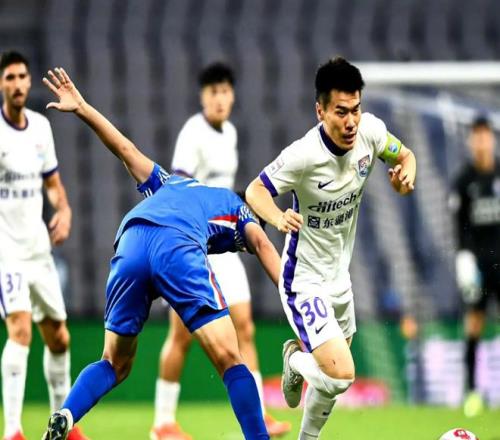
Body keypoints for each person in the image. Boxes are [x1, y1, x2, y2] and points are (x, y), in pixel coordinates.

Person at [40, 67, 281, 440]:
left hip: (131, 241)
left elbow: (125, 149)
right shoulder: (238, 207)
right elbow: (262, 244)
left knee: (114, 362)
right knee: (231, 359)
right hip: (178, 248)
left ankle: (67, 414)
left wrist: (83, 108)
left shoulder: (169, 182)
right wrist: (292, 294)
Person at [246, 57, 417, 439]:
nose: (351, 121)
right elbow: (255, 190)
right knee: (340, 373)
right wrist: (277, 217)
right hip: (304, 279)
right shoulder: (303, 155)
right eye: (341, 112)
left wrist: (406, 176)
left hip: (341, 279)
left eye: (356, 109)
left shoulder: (371, 133)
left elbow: (405, 156)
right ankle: (295, 359)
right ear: (320, 110)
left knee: (331, 384)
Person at [152, 62, 290, 440]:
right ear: (203, 97)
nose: (220, 98)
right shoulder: (192, 134)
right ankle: (162, 422)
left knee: (245, 326)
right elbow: (179, 190)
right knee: (181, 336)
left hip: (223, 244)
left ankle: (259, 414)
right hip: (193, 245)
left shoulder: (230, 133)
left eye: (225, 91)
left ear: (232, 96)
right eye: (213, 92)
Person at [0, 52, 88, 440]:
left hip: (38, 250)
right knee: (20, 330)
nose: (17, 83)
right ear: (1, 85)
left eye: (22, 76)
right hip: (6, 252)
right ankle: (13, 429)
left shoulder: (40, 128)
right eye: (9, 77)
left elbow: (52, 184)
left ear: (28, 81)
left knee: (60, 338)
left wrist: (64, 210)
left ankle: (62, 423)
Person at [449, 115, 500, 417]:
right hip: (478, 266)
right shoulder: (463, 181)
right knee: (474, 324)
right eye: (476, 137)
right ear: (471, 141)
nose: (481, 142)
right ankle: (471, 392)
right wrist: (463, 259)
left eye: (485, 136)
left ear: (492, 139)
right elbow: (459, 228)